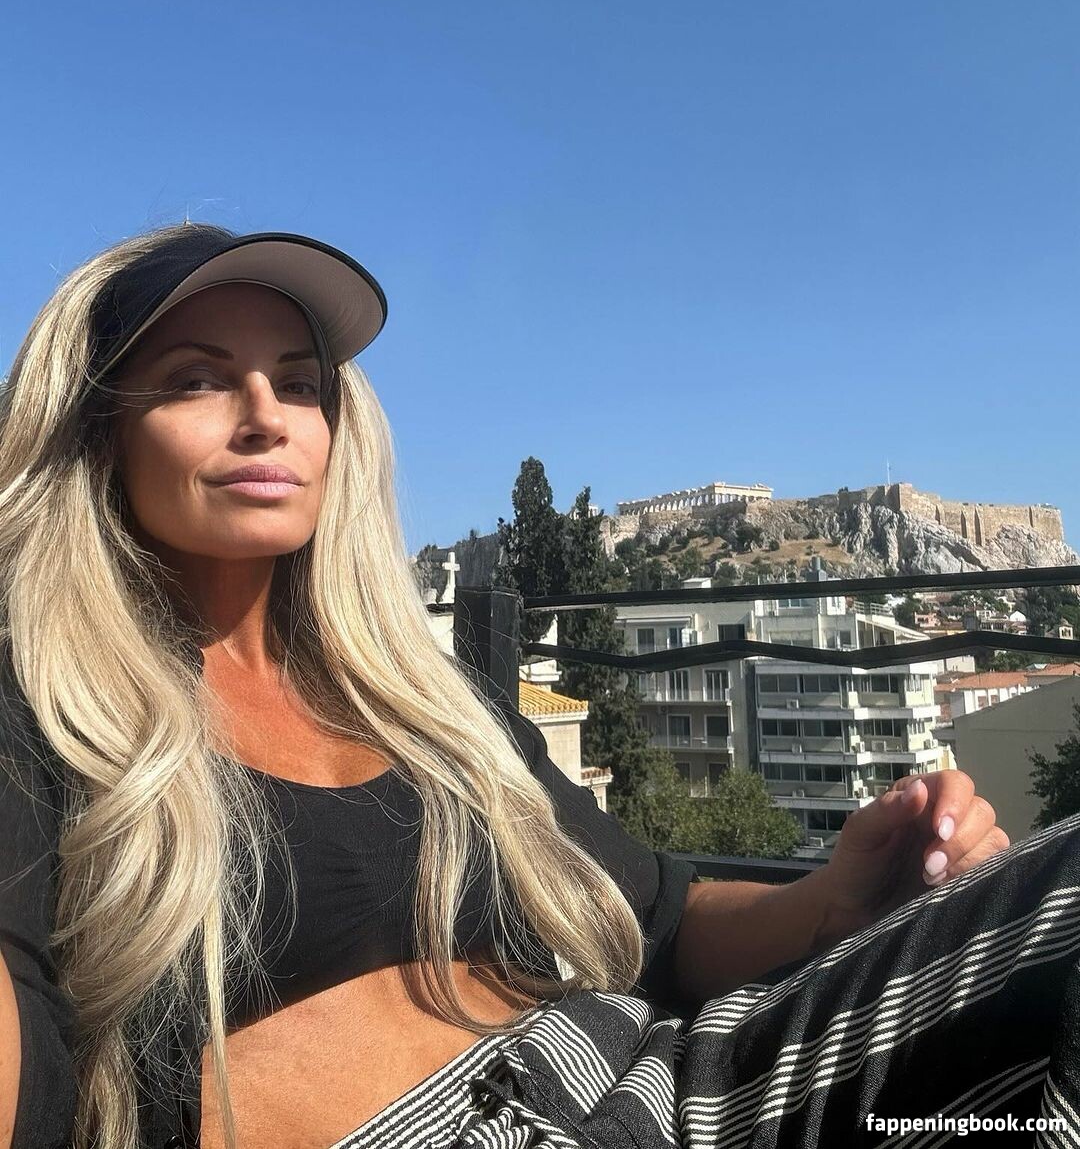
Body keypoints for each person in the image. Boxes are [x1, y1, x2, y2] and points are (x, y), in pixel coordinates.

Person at [0, 223, 1078, 1149]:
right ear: (95, 430)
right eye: (196, 379)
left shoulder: (426, 701)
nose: (265, 414)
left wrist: (835, 902)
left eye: (299, 382)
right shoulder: (40, 712)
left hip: (672, 1086)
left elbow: (659, 922)